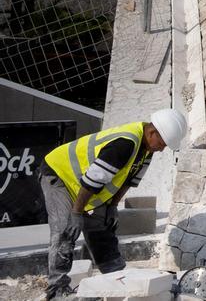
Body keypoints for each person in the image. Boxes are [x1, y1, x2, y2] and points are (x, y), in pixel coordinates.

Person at [39, 109, 188, 300]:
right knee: (65, 229)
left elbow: (128, 182)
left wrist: (112, 207)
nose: (162, 149)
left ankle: (115, 274)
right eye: (162, 144)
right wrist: (76, 213)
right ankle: (56, 289)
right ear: (152, 133)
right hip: (59, 173)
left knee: (101, 225)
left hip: (85, 184)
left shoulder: (146, 151)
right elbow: (93, 180)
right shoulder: (125, 144)